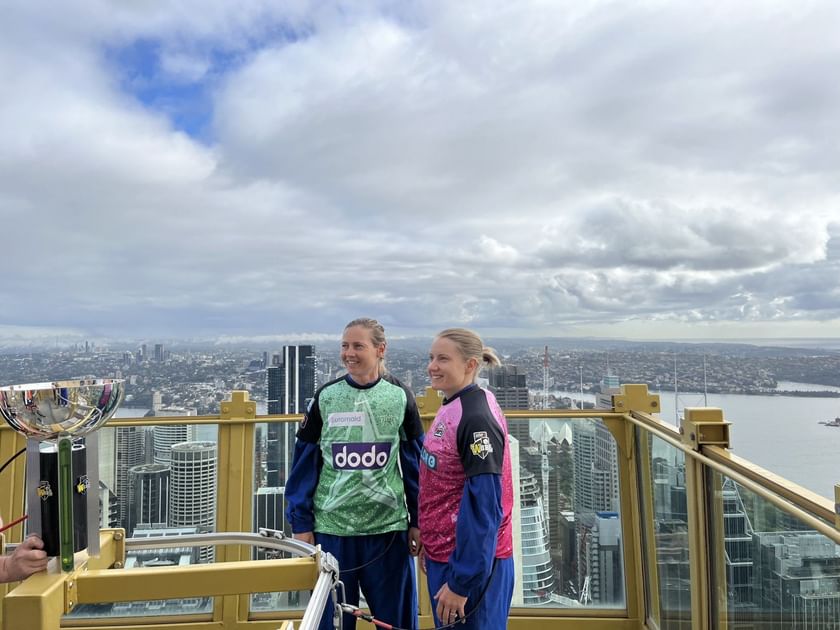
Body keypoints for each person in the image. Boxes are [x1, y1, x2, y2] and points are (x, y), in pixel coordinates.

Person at [285, 318, 423, 630]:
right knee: (330, 623)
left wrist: (418, 521)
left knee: (397, 623)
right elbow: (303, 465)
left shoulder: (401, 396)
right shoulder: (326, 397)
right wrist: (301, 524)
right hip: (332, 531)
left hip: (387, 532)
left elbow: (415, 465)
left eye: (358, 345)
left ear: (380, 349)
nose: (349, 353)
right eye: (345, 345)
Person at [420, 328, 514, 629]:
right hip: (448, 557)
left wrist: (463, 581)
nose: (432, 366)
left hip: (469, 567)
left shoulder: (475, 419)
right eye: (432, 357)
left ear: (470, 365)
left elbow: (485, 507)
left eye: (443, 359)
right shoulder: (455, 403)